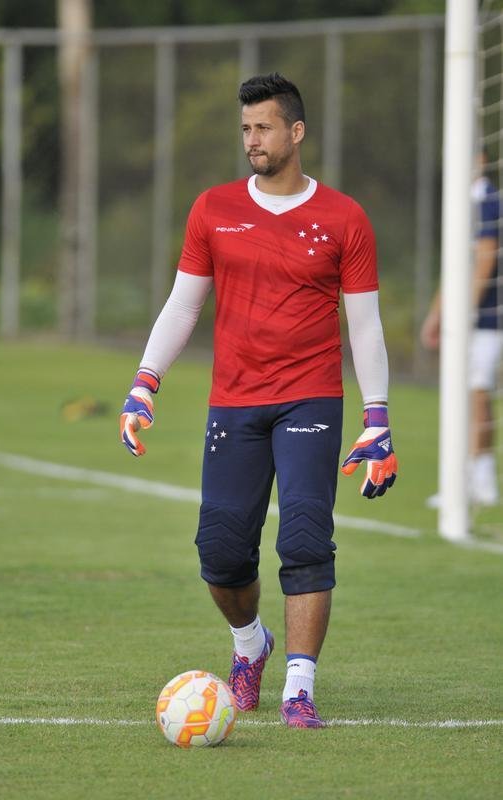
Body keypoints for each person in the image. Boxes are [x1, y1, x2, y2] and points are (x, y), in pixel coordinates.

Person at [120, 73, 398, 728]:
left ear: (295, 132)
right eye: (245, 128)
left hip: (310, 398)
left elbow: (365, 326)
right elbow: (183, 303)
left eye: (264, 127)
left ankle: (298, 689)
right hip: (234, 401)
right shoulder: (212, 208)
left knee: (305, 538)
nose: (252, 139)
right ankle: (250, 644)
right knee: (219, 551)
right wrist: (144, 381)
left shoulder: (343, 218)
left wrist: (377, 416)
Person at [420, 151, 501, 507]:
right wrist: (437, 315)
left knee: (477, 390)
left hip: (488, 318)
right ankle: (473, 477)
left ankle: (477, 479)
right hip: (472, 319)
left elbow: (485, 257)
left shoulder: (487, 200)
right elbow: (456, 267)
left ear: (479, 159)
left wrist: (464, 313)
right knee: (472, 390)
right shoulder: (461, 204)